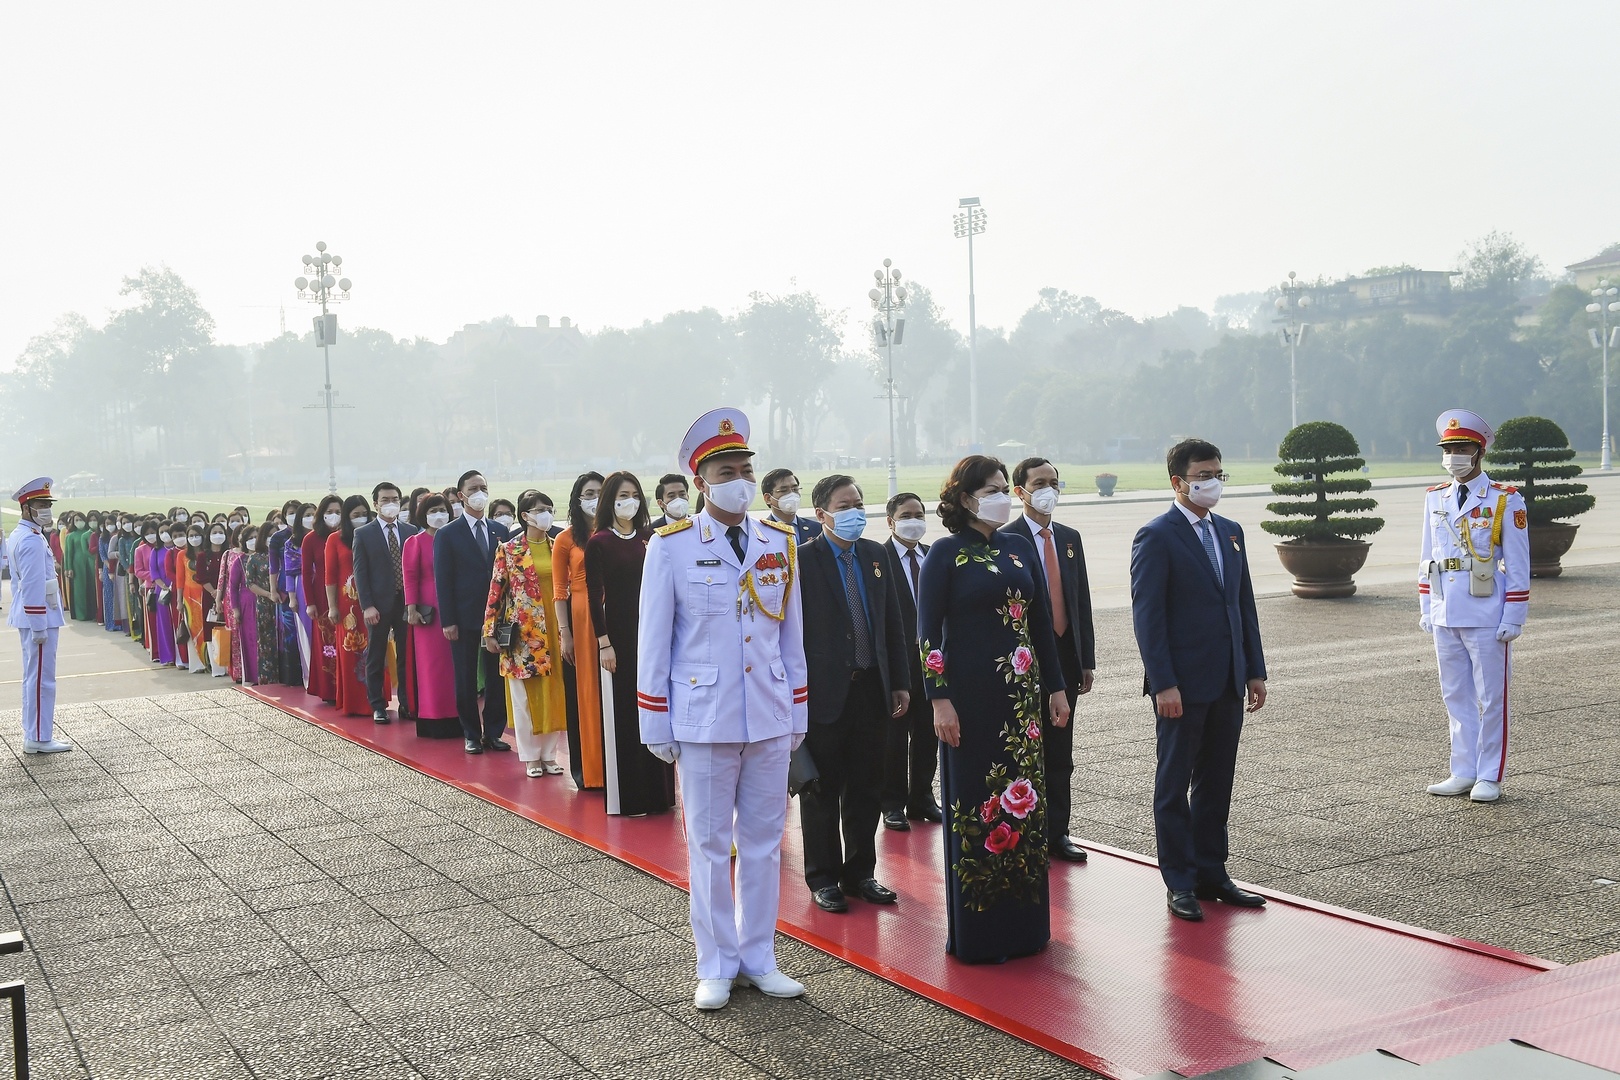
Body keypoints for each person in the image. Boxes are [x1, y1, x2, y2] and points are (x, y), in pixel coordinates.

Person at [638, 408, 809, 1011]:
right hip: (704, 717)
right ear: (701, 483)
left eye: (745, 470)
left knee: (764, 844)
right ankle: (715, 963)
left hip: (767, 712)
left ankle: (759, 956)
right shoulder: (672, 547)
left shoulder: (778, 542)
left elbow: (791, 635)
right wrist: (655, 718)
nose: (739, 481)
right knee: (710, 846)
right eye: (726, 472)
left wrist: (797, 710)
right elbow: (654, 639)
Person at [919, 456, 1068, 962]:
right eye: (991, 489)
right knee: (977, 808)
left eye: (1006, 488)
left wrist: (1056, 687)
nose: (1003, 496)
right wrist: (939, 699)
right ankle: (981, 934)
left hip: (1021, 703)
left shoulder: (1020, 547)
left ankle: (1026, 929)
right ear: (965, 498)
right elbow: (926, 633)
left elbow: (1041, 623)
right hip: (970, 702)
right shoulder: (945, 554)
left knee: (1023, 808)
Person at [1130, 438, 1268, 923]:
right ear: (1178, 482)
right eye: (1203, 475)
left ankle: (1213, 872)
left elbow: (1242, 605)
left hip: (1228, 680)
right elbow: (1149, 618)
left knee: (1216, 782)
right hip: (1182, 687)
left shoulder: (1230, 532)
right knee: (1174, 784)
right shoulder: (1157, 536)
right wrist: (1163, 682)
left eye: (1217, 474)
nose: (1212, 483)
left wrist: (1254, 669)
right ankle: (1180, 881)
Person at [796, 474, 910, 912]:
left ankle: (861, 872)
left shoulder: (875, 554)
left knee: (867, 787)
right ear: (822, 514)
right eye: (844, 506)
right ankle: (823, 878)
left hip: (872, 691)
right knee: (822, 789)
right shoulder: (802, 560)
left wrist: (898, 681)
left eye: (859, 503)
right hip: (824, 695)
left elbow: (892, 623)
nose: (855, 512)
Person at [1419, 409, 1529, 804]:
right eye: (1448, 449)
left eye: (1462, 448)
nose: (1453, 456)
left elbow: (1517, 562)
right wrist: (1426, 605)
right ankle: (1462, 769)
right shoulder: (1436, 498)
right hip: (1446, 609)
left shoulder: (1505, 498)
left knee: (1492, 696)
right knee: (1455, 695)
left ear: (1479, 451)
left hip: (1487, 612)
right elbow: (1427, 556)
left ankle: (1489, 774)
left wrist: (1514, 615)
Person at [1002, 458, 1096, 864]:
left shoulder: (1069, 538)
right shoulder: (1006, 539)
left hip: (1063, 657)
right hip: (1021, 660)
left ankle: (1058, 832)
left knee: (1060, 752)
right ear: (1019, 491)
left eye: (1054, 482)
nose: (1048, 490)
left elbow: (1081, 602)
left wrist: (1085, 658)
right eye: (1039, 483)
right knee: (1021, 751)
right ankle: (1023, 831)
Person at [587, 471, 674, 815]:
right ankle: (631, 796)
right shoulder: (600, 542)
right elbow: (595, 596)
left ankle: (661, 793)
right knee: (626, 712)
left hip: (653, 633)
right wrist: (603, 642)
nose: (631, 501)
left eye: (635, 494)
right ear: (611, 499)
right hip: (620, 635)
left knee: (656, 706)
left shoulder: (651, 537)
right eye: (623, 494)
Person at [482, 490, 569, 776]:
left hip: (556, 631)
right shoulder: (509, 550)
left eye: (549, 507)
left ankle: (549, 755)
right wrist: (489, 632)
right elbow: (496, 592)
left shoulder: (558, 546)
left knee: (555, 693)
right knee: (525, 697)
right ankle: (531, 756)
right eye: (540, 508)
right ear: (525, 515)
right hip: (524, 635)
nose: (546, 513)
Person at [433, 470, 511, 753]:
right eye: (474, 488)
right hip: (464, 617)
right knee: (465, 677)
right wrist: (449, 620)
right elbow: (444, 579)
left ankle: (493, 731)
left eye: (484, 487)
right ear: (461, 495)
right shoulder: (447, 534)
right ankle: (470, 732)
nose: (480, 493)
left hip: (497, 617)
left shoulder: (500, 531)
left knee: (496, 677)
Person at [879, 492, 938, 831]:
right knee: (895, 735)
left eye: (919, 513)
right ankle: (892, 802)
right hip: (897, 659)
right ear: (891, 521)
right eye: (906, 514)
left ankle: (922, 797)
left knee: (928, 732)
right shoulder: (880, 558)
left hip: (931, 660)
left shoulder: (933, 556)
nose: (914, 520)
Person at [553, 471, 606, 789]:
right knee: (587, 692)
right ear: (577, 499)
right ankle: (591, 769)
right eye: (588, 493)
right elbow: (560, 591)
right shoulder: (566, 538)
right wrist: (565, 633)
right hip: (582, 617)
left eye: (600, 491)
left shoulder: (617, 532)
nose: (595, 498)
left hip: (617, 613)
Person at [8, 479, 69, 753]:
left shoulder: (22, 535)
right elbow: (32, 585)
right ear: (26, 508)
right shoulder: (32, 541)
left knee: (33, 677)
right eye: (41, 505)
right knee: (42, 679)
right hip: (39, 616)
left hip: (31, 614)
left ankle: (33, 732)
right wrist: (38, 625)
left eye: (47, 504)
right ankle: (40, 737)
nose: (46, 509)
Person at [354, 482, 418, 724]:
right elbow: (361, 573)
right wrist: (367, 605)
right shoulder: (364, 534)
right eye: (385, 500)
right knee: (376, 654)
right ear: (375, 504)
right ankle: (378, 705)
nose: (390, 504)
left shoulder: (411, 530)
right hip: (378, 605)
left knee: (406, 654)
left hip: (406, 603)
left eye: (394, 499)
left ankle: (406, 702)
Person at [404, 493, 458, 737]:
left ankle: (457, 715)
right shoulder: (414, 542)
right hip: (427, 610)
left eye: (443, 509)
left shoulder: (455, 538)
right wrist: (411, 608)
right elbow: (410, 576)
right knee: (431, 666)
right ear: (423, 514)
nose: (439, 514)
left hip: (454, 605)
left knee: (455, 665)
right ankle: (432, 716)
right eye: (433, 510)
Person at [326, 495, 375, 716]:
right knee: (351, 651)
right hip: (347, 605)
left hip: (373, 601)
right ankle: (354, 702)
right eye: (355, 515)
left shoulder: (373, 535)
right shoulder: (335, 540)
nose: (360, 519)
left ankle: (376, 700)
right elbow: (330, 576)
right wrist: (332, 607)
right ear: (347, 517)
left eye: (364, 514)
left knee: (375, 650)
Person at [303, 495, 343, 703]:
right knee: (327, 643)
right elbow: (306, 572)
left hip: (345, 594)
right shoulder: (311, 539)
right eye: (329, 512)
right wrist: (310, 603)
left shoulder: (349, 536)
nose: (334, 516)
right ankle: (329, 689)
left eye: (338, 512)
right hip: (320, 597)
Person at [246, 523, 282, 684]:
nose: (272, 538)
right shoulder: (255, 558)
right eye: (269, 535)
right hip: (265, 604)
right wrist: (268, 594)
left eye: (275, 534)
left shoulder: (281, 554)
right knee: (267, 641)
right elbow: (250, 583)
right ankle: (268, 677)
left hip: (283, 602)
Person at [760, 468, 823, 545]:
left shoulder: (817, 528)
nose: (791, 494)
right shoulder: (761, 533)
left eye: (795, 489)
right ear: (768, 498)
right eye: (784, 490)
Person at [179, 523, 208, 673]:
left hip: (206, 595)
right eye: (191, 536)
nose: (194, 538)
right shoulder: (182, 555)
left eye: (197, 535)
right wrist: (179, 601)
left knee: (206, 628)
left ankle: (209, 661)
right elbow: (180, 579)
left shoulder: (207, 553)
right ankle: (197, 663)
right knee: (192, 629)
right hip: (189, 598)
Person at [201, 521, 229, 676]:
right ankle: (217, 667)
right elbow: (202, 577)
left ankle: (228, 665)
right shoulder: (203, 556)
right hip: (209, 596)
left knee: (227, 629)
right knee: (211, 630)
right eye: (214, 533)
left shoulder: (229, 553)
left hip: (227, 596)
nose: (218, 536)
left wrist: (223, 594)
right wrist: (215, 593)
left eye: (221, 532)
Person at [64, 512, 96, 621]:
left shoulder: (90, 533)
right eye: (76, 520)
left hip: (90, 561)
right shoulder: (70, 536)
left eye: (80, 519)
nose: (79, 522)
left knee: (92, 587)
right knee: (79, 589)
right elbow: (68, 553)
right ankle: (81, 614)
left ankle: (92, 613)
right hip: (77, 564)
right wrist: (68, 568)